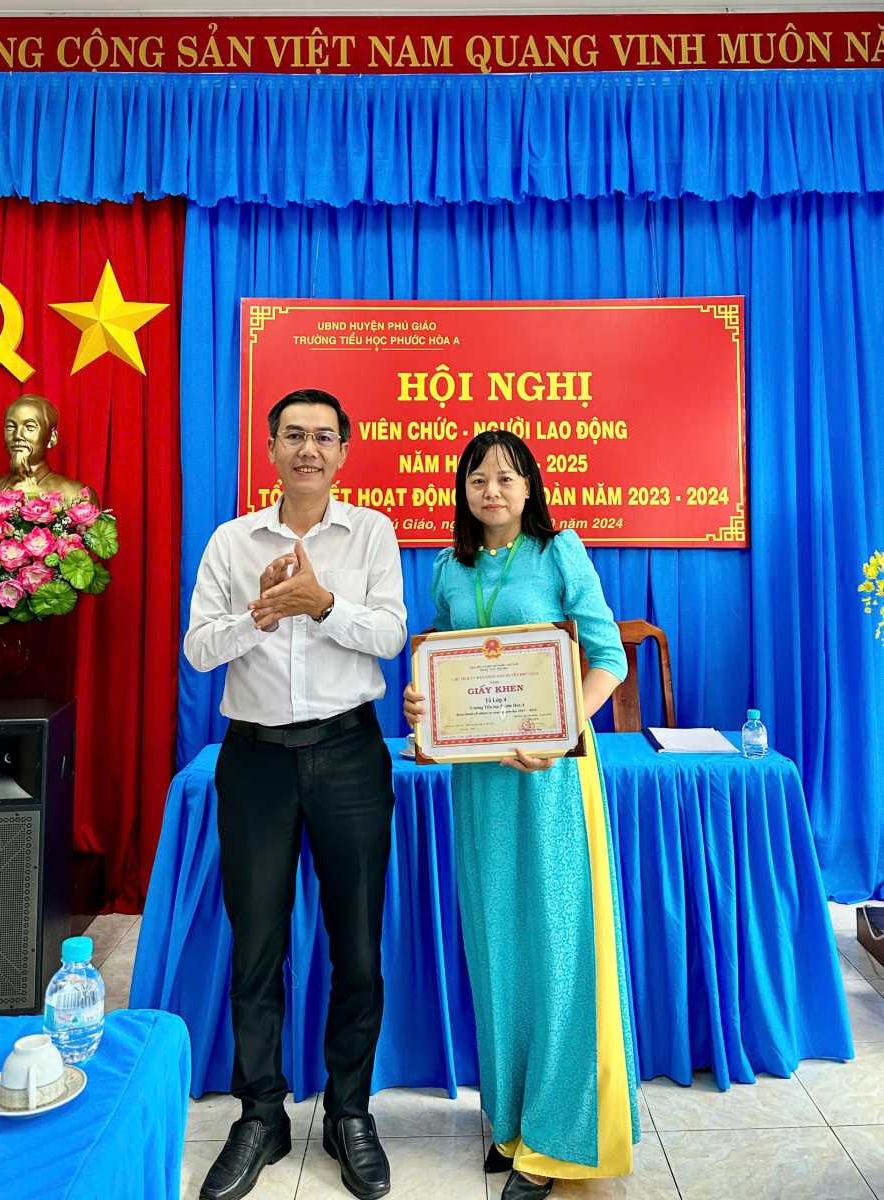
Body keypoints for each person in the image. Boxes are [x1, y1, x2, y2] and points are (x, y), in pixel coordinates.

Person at [404, 430, 640, 1199]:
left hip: (551, 777)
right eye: (478, 478)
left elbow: (608, 658)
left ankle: (558, 1140)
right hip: (478, 784)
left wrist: (562, 727)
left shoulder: (558, 552)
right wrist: (420, 704)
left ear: (530, 487)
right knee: (497, 946)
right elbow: (443, 670)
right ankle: (509, 1123)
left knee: (558, 948)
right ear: (462, 491)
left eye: (507, 478)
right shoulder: (447, 569)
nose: (492, 490)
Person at [184, 388, 406, 1200]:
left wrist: (324, 604)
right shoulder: (232, 540)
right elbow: (198, 650)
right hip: (255, 763)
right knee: (256, 946)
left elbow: (391, 635)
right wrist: (263, 615)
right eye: (292, 436)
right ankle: (260, 1114)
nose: (307, 449)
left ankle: (350, 1111)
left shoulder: (371, 532)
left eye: (322, 437)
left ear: (343, 450)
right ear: (271, 448)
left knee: (357, 947)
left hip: (348, 754)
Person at [0, 394, 99, 504]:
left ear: (52, 437)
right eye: (11, 427)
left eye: (29, 427)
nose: (17, 435)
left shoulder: (77, 495)